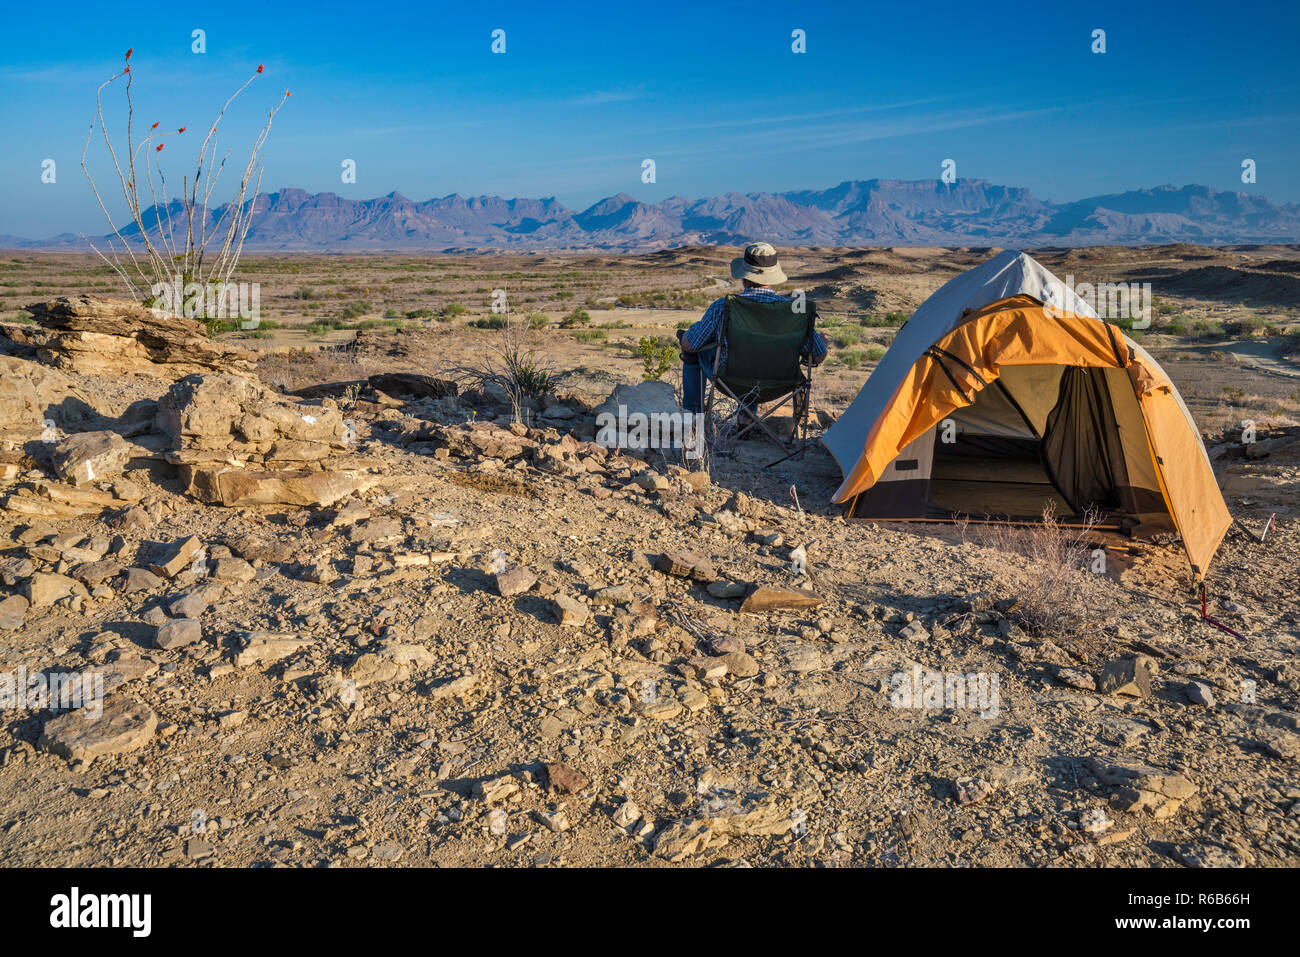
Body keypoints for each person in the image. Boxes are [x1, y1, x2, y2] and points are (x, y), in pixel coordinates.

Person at [678, 241, 826, 416]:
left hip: (731, 380)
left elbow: (690, 345)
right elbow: (818, 355)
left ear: (744, 277)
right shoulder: (795, 313)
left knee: (696, 352)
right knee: (759, 357)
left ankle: (693, 416)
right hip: (781, 381)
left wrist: (686, 334)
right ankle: (746, 420)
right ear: (772, 278)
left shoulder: (724, 307)